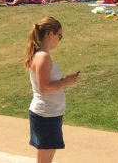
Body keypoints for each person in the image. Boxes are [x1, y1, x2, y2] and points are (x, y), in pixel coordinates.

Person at [24, 16, 79, 163]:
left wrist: (63, 81)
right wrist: (66, 82)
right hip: (45, 115)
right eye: (59, 36)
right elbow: (44, 88)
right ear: (50, 34)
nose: (59, 39)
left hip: (48, 114)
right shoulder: (43, 57)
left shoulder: (40, 55)